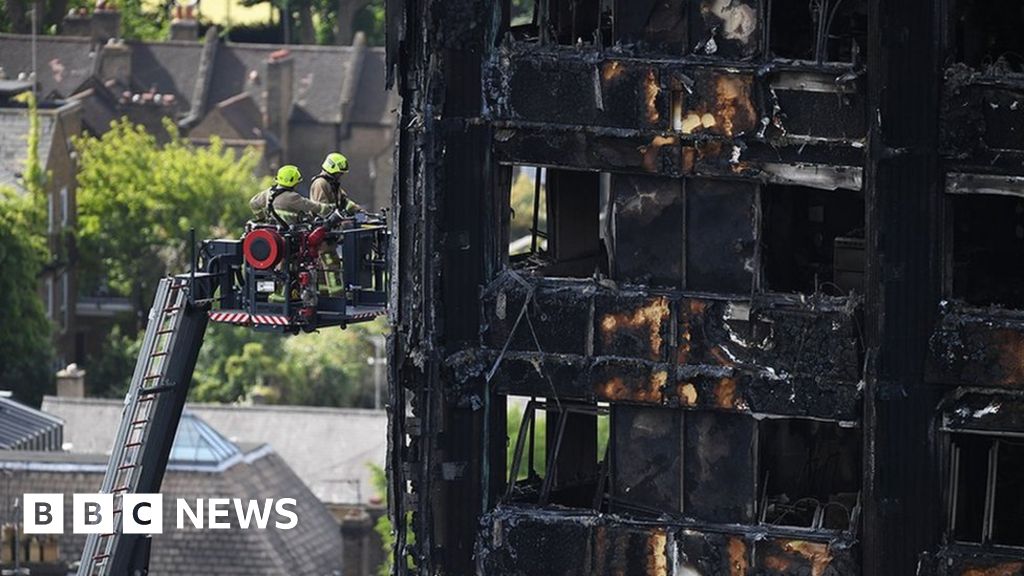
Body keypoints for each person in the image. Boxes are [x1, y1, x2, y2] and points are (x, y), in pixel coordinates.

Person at [249, 165, 334, 225]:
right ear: (293, 183)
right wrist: (330, 208)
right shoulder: (293, 197)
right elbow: (313, 207)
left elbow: (253, 203)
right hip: (290, 236)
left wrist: (262, 219)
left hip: (272, 232)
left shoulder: (268, 193)